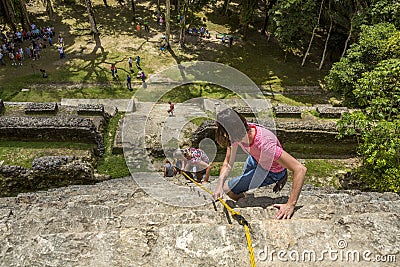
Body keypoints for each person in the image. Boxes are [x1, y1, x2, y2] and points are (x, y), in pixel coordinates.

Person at [213, 108, 306, 220]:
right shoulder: (239, 132)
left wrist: (290, 205)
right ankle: (244, 195)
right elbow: (228, 162)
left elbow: (300, 169)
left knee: (228, 189)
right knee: (229, 185)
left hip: (271, 170)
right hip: (256, 159)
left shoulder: (264, 144)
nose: (223, 135)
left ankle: (279, 176)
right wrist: (218, 186)